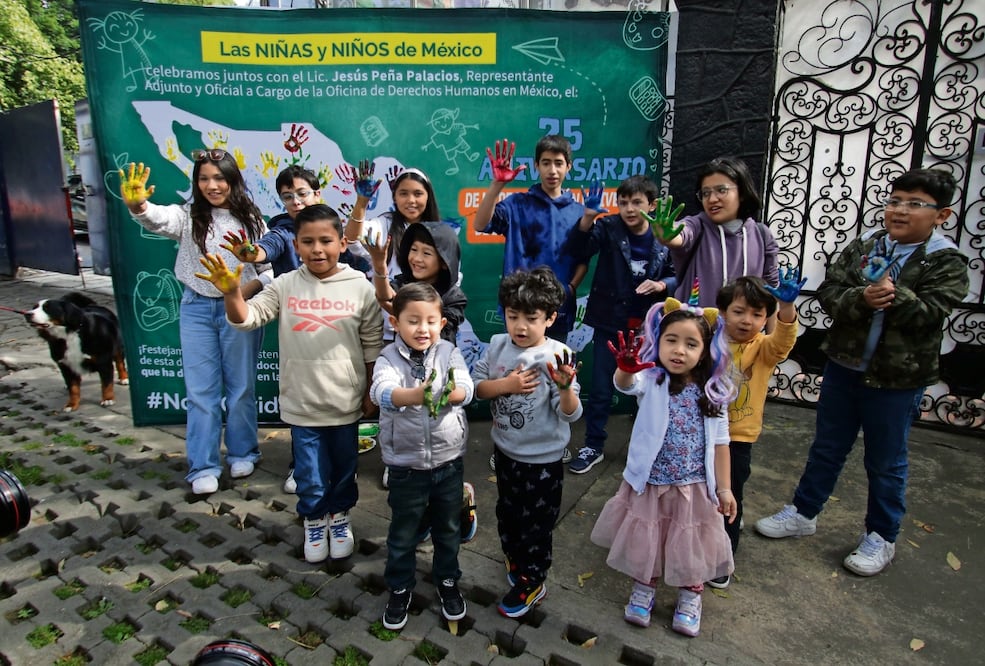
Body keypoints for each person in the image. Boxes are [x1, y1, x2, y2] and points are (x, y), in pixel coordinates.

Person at [755, 168, 970, 577]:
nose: (899, 210)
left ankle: (881, 536)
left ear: (940, 215)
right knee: (827, 446)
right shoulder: (867, 245)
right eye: (894, 201)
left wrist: (891, 294)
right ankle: (804, 511)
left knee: (886, 461)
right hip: (844, 366)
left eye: (914, 204)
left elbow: (931, 315)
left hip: (896, 380)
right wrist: (862, 297)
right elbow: (832, 294)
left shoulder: (946, 260)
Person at [196, 204, 383, 563]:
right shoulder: (285, 285)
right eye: (308, 241)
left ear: (342, 243)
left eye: (326, 241)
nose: (317, 249)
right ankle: (314, 520)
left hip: (345, 403)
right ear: (295, 245)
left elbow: (372, 340)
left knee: (344, 471)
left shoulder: (359, 286)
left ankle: (339, 519)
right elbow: (246, 319)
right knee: (310, 474)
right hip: (301, 404)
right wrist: (232, 293)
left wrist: (370, 389)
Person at [119, 153, 271, 496]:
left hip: (240, 309)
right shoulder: (189, 216)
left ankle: (244, 451)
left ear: (233, 180)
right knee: (201, 391)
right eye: (204, 178)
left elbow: (268, 274)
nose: (212, 186)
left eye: (220, 177)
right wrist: (140, 205)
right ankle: (203, 465)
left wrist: (236, 292)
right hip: (196, 309)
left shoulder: (252, 220)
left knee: (242, 387)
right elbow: (158, 219)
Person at [590, 295, 736, 637]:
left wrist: (725, 488)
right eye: (671, 340)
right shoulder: (652, 379)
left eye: (690, 343)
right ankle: (644, 589)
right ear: (659, 341)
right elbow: (625, 385)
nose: (679, 350)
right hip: (651, 483)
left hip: (695, 486)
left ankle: (690, 596)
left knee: (691, 544)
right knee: (648, 539)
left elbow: (721, 443)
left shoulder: (714, 391)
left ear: (705, 351)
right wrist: (626, 368)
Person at [223, 164, 369, 495]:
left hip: (337, 332)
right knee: (304, 407)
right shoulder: (281, 230)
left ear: (317, 193)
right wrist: (250, 256)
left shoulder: (338, 239)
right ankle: (300, 467)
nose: (295, 201)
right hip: (296, 321)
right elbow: (266, 250)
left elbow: (356, 257)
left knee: (340, 410)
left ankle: (342, 472)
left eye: (302, 193)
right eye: (287, 196)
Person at [472, 267, 583, 618]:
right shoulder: (497, 346)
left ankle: (533, 580)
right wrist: (505, 386)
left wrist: (565, 389)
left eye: (531, 318)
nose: (520, 326)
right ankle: (515, 558)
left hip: (544, 461)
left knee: (535, 525)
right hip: (504, 452)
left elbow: (571, 415)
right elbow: (476, 388)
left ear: (550, 318)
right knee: (507, 513)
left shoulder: (558, 356)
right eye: (512, 316)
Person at [369, 283, 474, 630]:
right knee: (403, 534)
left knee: (448, 530)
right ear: (394, 322)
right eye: (412, 321)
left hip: (448, 463)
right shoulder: (387, 357)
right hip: (405, 468)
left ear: (442, 323)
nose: (422, 329)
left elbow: (467, 388)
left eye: (430, 321)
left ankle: (447, 580)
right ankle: (399, 586)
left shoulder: (449, 353)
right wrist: (416, 395)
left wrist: (449, 393)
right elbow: (380, 391)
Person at [566, 175, 678, 474]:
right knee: (601, 387)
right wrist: (588, 218)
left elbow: (679, 272)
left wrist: (661, 284)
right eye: (624, 202)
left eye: (637, 202)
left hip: (651, 327)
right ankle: (593, 445)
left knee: (653, 390)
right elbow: (578, 250)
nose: (629, 209)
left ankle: (653, 450)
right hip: (609, 324)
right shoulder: (608, 226)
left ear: (652, 205)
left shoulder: (664, 234)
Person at [709, 273, 802, 588]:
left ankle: (723, 559)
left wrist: (786, 307)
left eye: (757, 314)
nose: (747, 321)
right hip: (703, 433)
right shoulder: (710, 337)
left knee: (728, 498)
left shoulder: (763, 348)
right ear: (723, 312)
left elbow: (784, 340)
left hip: (737, 438)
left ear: (766, 318)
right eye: (739, 311)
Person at [473, 136, 589, 342]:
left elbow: (583, 259)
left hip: (557, 309)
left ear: (569, 167)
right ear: (536, 165)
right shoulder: (517, 203)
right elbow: (480, 224)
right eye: (546, 163)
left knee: (553, 371)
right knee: (514, 372)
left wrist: (570, 288)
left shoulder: (579, 212)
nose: (552, 170)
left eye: (558, 163)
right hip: (519, 306)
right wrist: (497, 184)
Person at [647, 156, 779, 307]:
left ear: (742, 192)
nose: (712, 199)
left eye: (721, 190)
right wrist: (668, 237)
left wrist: (772, 331)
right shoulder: (698, 226)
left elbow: (771, 291)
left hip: (745, 330)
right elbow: (682, 234)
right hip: (696, 328)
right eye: (705, 193)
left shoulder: (762, 235)